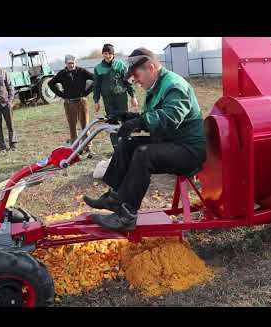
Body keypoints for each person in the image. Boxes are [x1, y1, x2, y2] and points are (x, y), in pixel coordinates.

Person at [84, 47, 207, 231]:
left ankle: (127, 217)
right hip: (172, 140)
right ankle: (115, 198)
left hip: (188, 150)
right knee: (129, 142)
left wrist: (140, 122)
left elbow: (171, 117)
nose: (135, 81)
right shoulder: (157, 85)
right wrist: (128, 117)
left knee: (144, 154)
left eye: (136, 74)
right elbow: (152, 115)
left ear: (150, 67)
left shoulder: (174, 85)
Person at [93, 44, 138, 154]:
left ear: (113, 54)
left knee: (124, 121)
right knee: (112, 122)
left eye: (109, 53)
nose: (107, 56)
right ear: (102, 54)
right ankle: (116, 148)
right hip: (108, 100)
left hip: (121, 97)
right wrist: (96, 101)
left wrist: (133, 96)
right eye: (105, 53)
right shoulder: (98, 68)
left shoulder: (120, 65)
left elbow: (127, 81)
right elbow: (96, 86)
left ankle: (127, 145)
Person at [48, 55, 94, 152]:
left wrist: (87, 92)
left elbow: (95, 78)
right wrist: (61, 94)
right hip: (69, 103)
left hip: (82, 101)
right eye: (69, 63)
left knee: (85, 126)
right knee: (72, 126)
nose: (71, 65)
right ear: (65, 63)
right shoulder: (62, 74)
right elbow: (51, 83)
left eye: (73, 63)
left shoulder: (82, 71)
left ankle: (88, 146)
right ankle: (76, 148)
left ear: (75, 62)